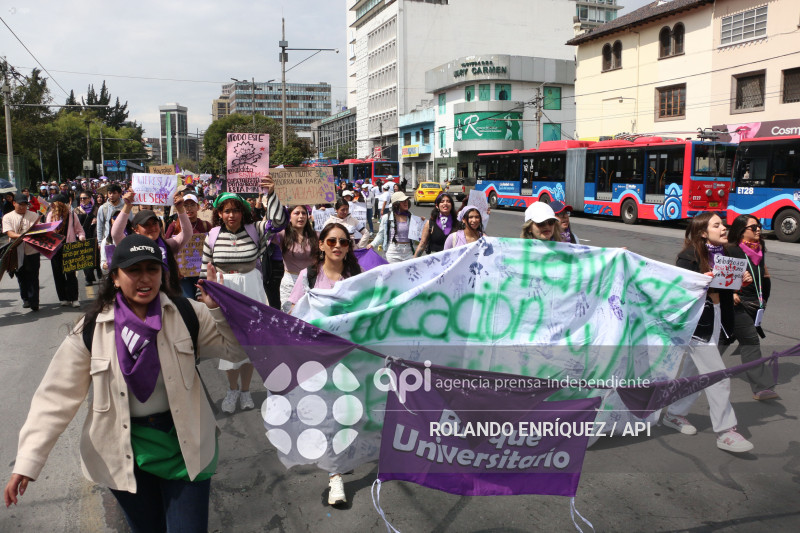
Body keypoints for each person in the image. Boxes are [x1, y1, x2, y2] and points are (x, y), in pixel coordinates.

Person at [4, 234, 244, 532]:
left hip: (186, 447)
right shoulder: (92, 330)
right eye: (134, 270)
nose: (145, 279)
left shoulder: (186, 314)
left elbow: (235, 350)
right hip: (122, 452)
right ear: (115, 278)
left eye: (152, 269)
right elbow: (55, 399)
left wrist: (218, 310)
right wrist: (28, 462)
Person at [663, 212, 754, 453]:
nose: (724, 228)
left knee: (694, 372)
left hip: (717, 316)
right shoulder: (688, 256)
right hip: (696, 323)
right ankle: (726, 432)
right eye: (717, 225)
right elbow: (677, 291)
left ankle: (674, 414)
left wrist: (741, 282)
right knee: (718, 376)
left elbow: (728, 287)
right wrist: (698, 282)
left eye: (723, 224)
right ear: (703, 232)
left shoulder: (728, 254)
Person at [286, 222, 362, 506]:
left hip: (351, 358)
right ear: (321, 244)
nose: (338, 246)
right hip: (318, 359)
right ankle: (335, 478)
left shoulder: (356, 277)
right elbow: (293, 313)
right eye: (332, 241)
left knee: (348, 413)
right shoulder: (308, 277)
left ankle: (342, 457)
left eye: (343, 242)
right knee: (329, 417)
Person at [201, 184, 285, 413]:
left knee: (250, 344)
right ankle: (232, 390)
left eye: (235, 210)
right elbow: (204, 267)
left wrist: (272, 193)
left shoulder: (255, 229)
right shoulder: (213, 235)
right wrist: (203, 296)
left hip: (251, 287)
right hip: (223, 289)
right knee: (229, 344)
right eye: (226, 211)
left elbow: (278, 222)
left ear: (243, 212)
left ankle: (246, 391)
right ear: (219, 213)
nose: (231, 215)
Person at [720, 215, 778, 400]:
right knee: (751, 341)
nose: (758, 230)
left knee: (723, 339)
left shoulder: (759, 250)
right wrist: (733, 294)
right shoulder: (731, 250)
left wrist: (764, 297)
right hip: (739, 304)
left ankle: (699, 370)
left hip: (756, 303)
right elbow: (725, 279)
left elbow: (764, 274)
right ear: (741, 231)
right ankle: (762, 387)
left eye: (759, 226)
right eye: (753, 227)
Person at [111, 191, 191, 295]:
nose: (152, 228)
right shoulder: (131, 247)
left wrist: (180, 209)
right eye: (146, 225)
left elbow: (187, 233)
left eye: (155, 223)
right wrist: (127, 206)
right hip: (141, 295)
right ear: (136, 229)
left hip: (168, 296)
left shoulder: (168, 245)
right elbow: (116, 234)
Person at [166, 193, 213, 300]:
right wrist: (174, 269)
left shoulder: (206, 225)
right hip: (183, 276)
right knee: (188, 302)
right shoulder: (174, 226)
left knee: (203, 302)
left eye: (192, 205)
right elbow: (167, 249)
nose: (189, 208)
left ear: (198, 207)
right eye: (185, 205)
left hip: (202, 273)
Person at [275, 204, 319, 311]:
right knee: (290, 315)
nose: (301, 216)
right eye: (296, 213)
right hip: (290, 282)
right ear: (289, 217)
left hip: (312, 281)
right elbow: (265, 233)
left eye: (304, 213)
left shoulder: (316, 236)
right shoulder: (282, 235)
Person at [2, 193, 41, 311]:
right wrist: (22, 236)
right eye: (20, 204)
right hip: (15, 251)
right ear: (14, 203)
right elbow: (9, 233)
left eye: (25, 205)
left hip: (32, 250)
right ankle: (25, 299)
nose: (23, 207)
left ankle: (34, 301)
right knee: (21, 276)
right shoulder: (7, 217)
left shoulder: (34, 215)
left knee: (33, 276)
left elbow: (38, 231)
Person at [45, 194, 86, 308]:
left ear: (60, 204)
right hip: (55, 248)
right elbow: (47, 231)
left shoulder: (72, 215)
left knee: (71, 274)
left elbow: (79, 230)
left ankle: (74, 298)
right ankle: (63, 298)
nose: (52, 205)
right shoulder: (50, 215)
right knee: (58, 274)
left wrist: (81, 237)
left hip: (69, 248)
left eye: (54, 203)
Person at [369, 191, 415, 262]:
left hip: (409, 253)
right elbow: (381, 235)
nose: (406, 202)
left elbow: (418, 235)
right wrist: (372, 245)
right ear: (396, 204)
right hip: (392, 253)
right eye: (403, 201)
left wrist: (422, 223)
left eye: (407, 200)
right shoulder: (386, 217)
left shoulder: (411, 216)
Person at [414, 193, 458, 257]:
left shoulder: (457, 223)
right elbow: (422, 244)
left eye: (448, 201)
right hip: (434, 260)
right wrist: (413, 261)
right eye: (442, 201)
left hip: (453, 259)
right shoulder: (430, 223)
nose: (445, 203)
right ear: (437, 206)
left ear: (451, 205)